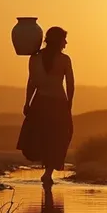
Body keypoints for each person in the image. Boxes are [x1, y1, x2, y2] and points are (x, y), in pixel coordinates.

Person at [16, 26, 75, 184]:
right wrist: (69, 103)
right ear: (59, 41)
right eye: (64, 39)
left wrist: (27, 102)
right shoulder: (64, 59)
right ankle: (48, 173)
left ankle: (47, 172)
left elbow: (32, 82)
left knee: (43, 136)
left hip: (40, 102)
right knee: (58, 138)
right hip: (58, 103)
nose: (66, 43)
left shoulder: (34, 59)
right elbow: (70, 83)